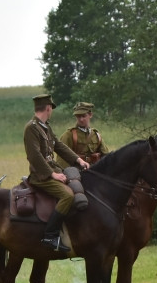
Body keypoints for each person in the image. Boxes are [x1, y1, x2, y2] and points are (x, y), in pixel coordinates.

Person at [23, 93, 90, 252]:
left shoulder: (45, 126)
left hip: (52, 170)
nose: (51, 111)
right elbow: (34, 155)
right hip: (40, 176)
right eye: (51, 108)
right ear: (48, 108)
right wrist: (52, 174)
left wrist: (78, 161)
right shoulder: (31, 128)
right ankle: (50, 235)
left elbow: (59, 146)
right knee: (68, 195)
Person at [58, 102, 109, 167]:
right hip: (76, 168)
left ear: (90, 115)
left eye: (83, 116)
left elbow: (106, 155)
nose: (81, 119)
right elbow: (62, 157)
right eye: (78, 117)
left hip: (94, 168)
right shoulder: (69, 135)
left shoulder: (96, 135)